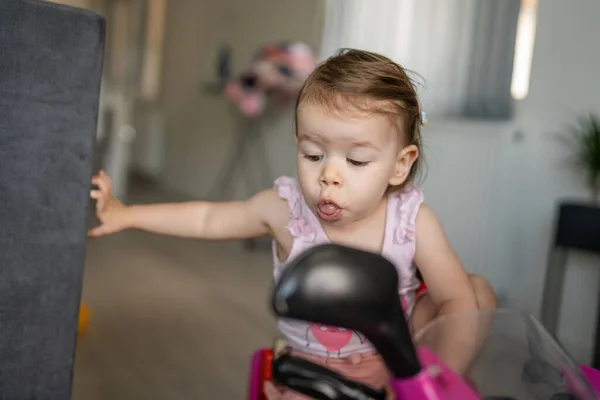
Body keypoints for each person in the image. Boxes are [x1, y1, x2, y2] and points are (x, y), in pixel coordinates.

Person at [89, 49, 497, 399]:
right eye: (314, 154)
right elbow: (207, 217)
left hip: (397, 358)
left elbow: (457, 303)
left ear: (399, 165)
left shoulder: (412, 219)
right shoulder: (287, 211)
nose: (329, 175)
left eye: (355, 161)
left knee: (476, 292)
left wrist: (426, 382)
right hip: (317, 371)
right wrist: (127, 214)